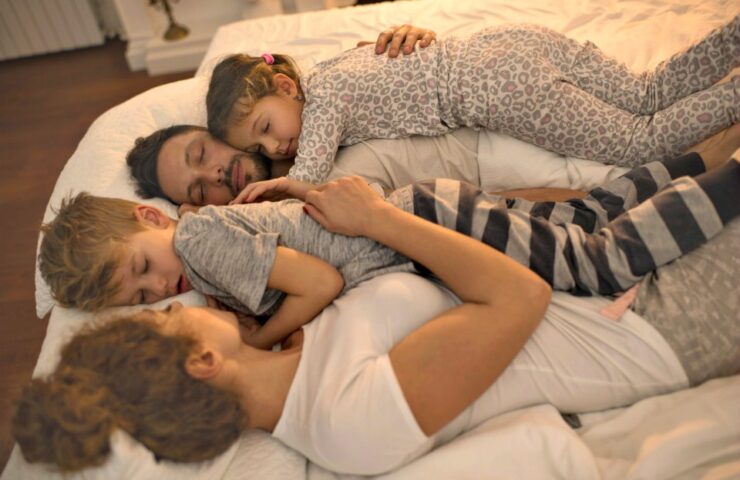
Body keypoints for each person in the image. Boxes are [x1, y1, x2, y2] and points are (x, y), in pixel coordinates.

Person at [14, 172, 739, 475]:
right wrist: (379, 218)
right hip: (650, 323)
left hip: (602, 287)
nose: (172, 305)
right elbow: (518, 298)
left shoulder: (290, 348)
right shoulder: (344, 421)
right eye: (162, 320)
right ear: (202, 364)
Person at [39, 149, 740, 349]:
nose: (158, 288)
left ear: (150, 217)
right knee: (582, 218)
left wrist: (263, 337)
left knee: (595, 262)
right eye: (138, 296)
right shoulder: (206, 241)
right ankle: (695, 161)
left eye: (142, 267)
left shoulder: (197, 243)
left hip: (432, 233)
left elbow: (319, 283)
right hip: (428, 212)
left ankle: (729, 177)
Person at [205, 18, 740, 183]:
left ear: (286, 87)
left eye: (266, 128)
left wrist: (263, 189)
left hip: (498, 87)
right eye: (259, 148)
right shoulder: (335, 66)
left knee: (636, 143)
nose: (274, 147)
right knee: (646, 90)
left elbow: (307, 178)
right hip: (507, 41)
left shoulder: (324, 102)